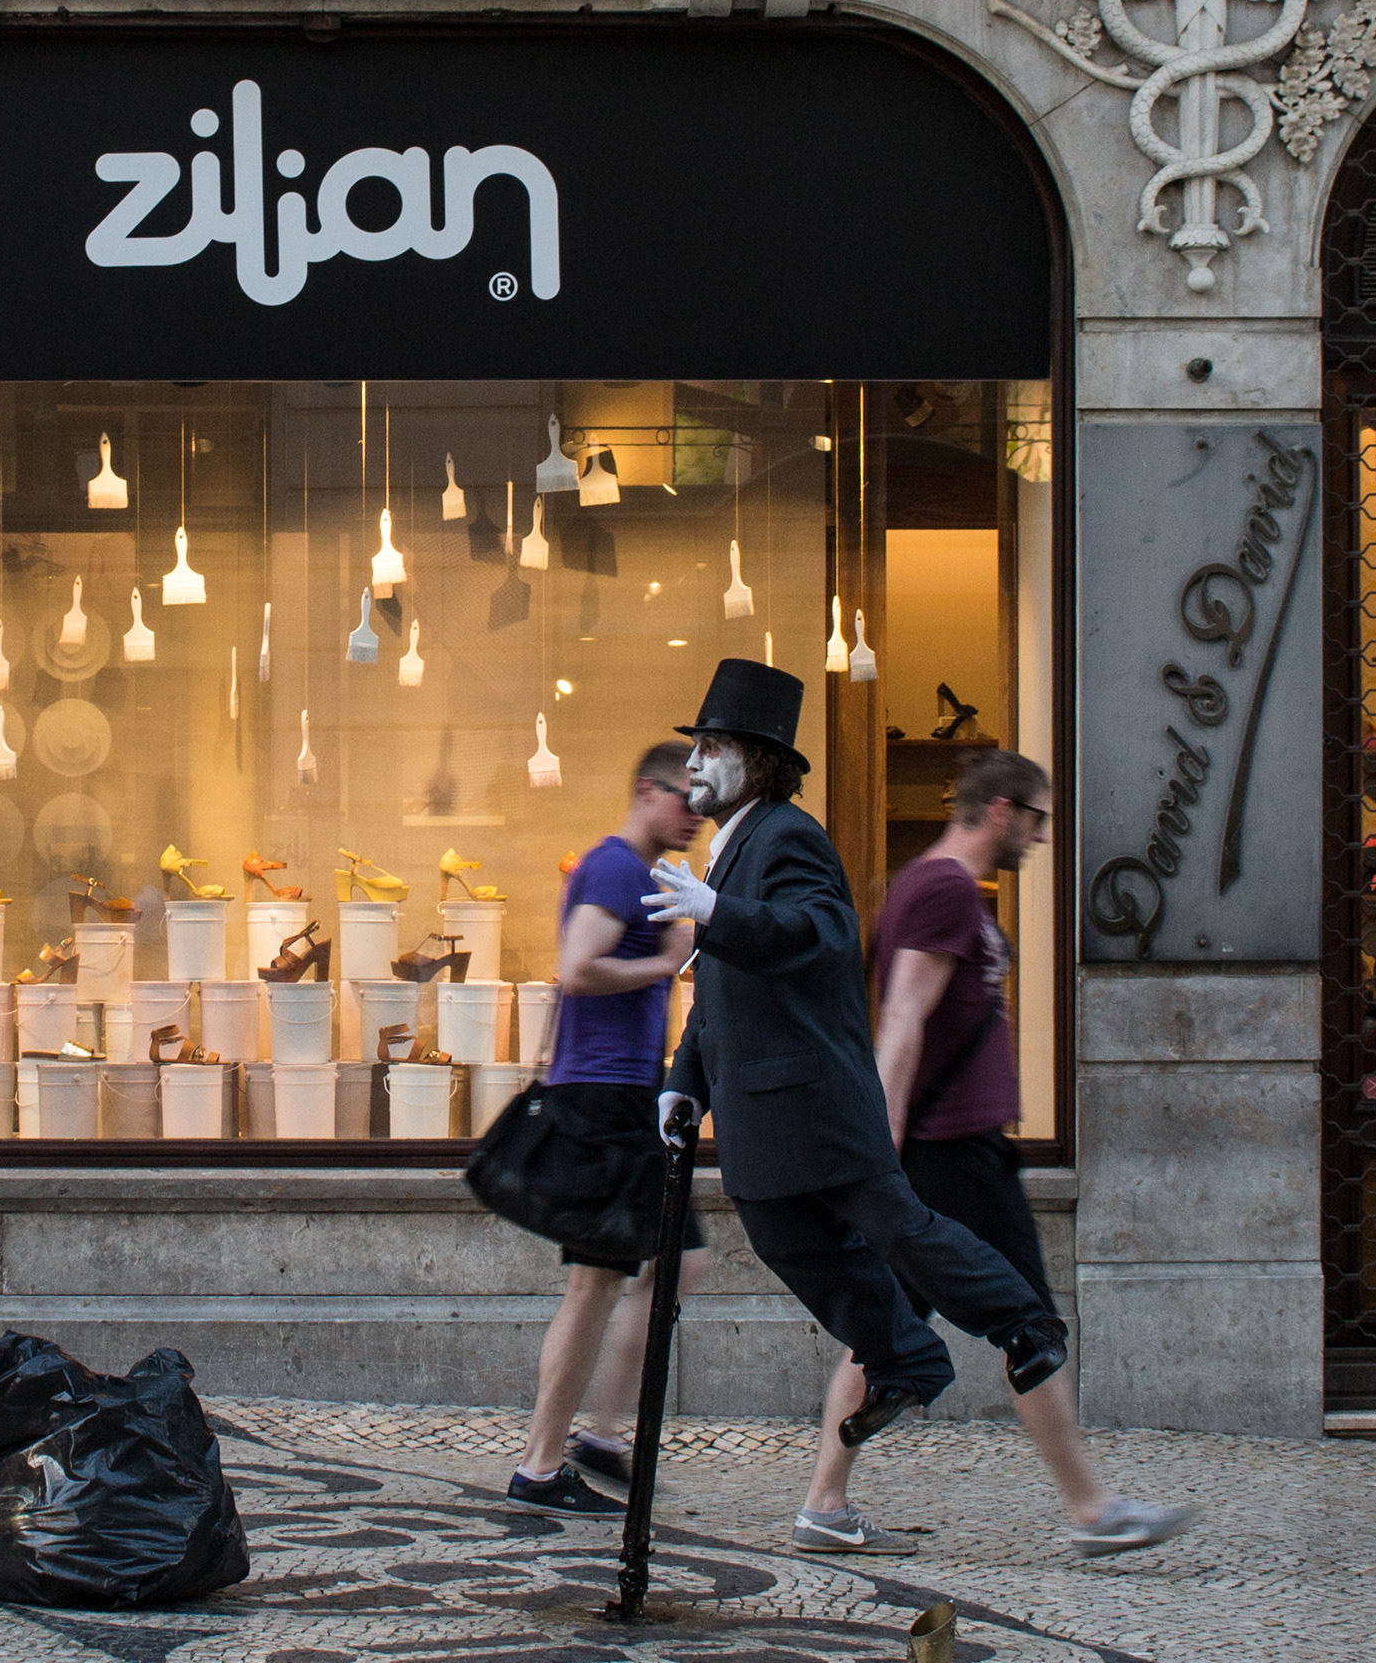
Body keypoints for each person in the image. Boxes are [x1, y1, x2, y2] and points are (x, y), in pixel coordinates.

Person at [644, 658, 1066, 1554]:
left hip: (817, 1101)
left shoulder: (790, 838)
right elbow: (716, 992)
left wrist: (719, 910)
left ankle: (1025, 1322)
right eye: (696, 746)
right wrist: (684, 1082)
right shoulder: (731, 848)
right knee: (789, 1240)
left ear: (758, 760)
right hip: (758, 1111)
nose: (696, 765)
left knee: (897, 1225)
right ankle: (907, 1358)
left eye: (712, 746)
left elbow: (820, 933)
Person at [801, 750, 1192, 1557]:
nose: (1042, 837)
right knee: (1029, 1324)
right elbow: (902, 1019)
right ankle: (1092, 1510)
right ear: (1004, 810)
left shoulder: (935, 887)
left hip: (949, 1150)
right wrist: (884, 1152)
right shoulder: (943, 889)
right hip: (951, 1154)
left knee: (887, 1327)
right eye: (1038, 818)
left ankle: (824, 1504)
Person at [508, 741, 714, 1513]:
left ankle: (597, 1436)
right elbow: (577, 966)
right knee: (595, 1282)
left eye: (704, 803)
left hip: (628, 1096)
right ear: (647, 791)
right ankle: (542, 1463)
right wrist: (668, 961)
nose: (696, 816)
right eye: (686, 798)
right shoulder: (614, 867)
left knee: (677, 1264)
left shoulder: (644, 875)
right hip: (600, 1098)